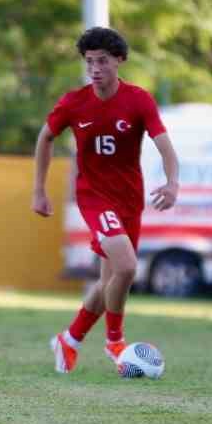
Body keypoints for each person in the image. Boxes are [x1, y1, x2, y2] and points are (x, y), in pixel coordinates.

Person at [33, 27, 182, 374]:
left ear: (119, 60)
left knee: (109, 280)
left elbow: (165, 147)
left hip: (129, 199)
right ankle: (115, 342)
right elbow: (45, 138)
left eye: (102, 60)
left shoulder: (139, 100)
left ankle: (69, 341)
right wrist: (38, 190)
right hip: (94, 197)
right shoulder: (73, 102)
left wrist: (172, 183)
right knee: (128, 267)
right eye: (89, 61)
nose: (95, 68)